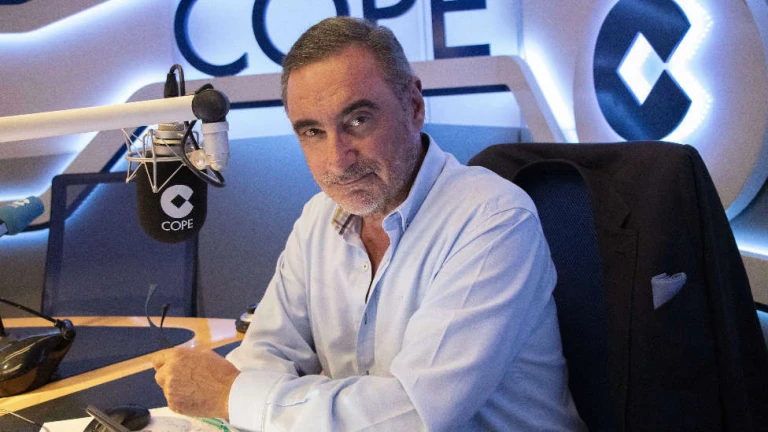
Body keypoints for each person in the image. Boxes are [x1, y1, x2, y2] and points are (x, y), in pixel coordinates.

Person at [153, 16, 584, 431]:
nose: (337, 161)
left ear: (413, 106)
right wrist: (230, 394)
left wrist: (232, 396)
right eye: (312, 132)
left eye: (358, 120)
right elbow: (267, 354)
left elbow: (414, 415)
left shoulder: (493, 219)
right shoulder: (319, 219)